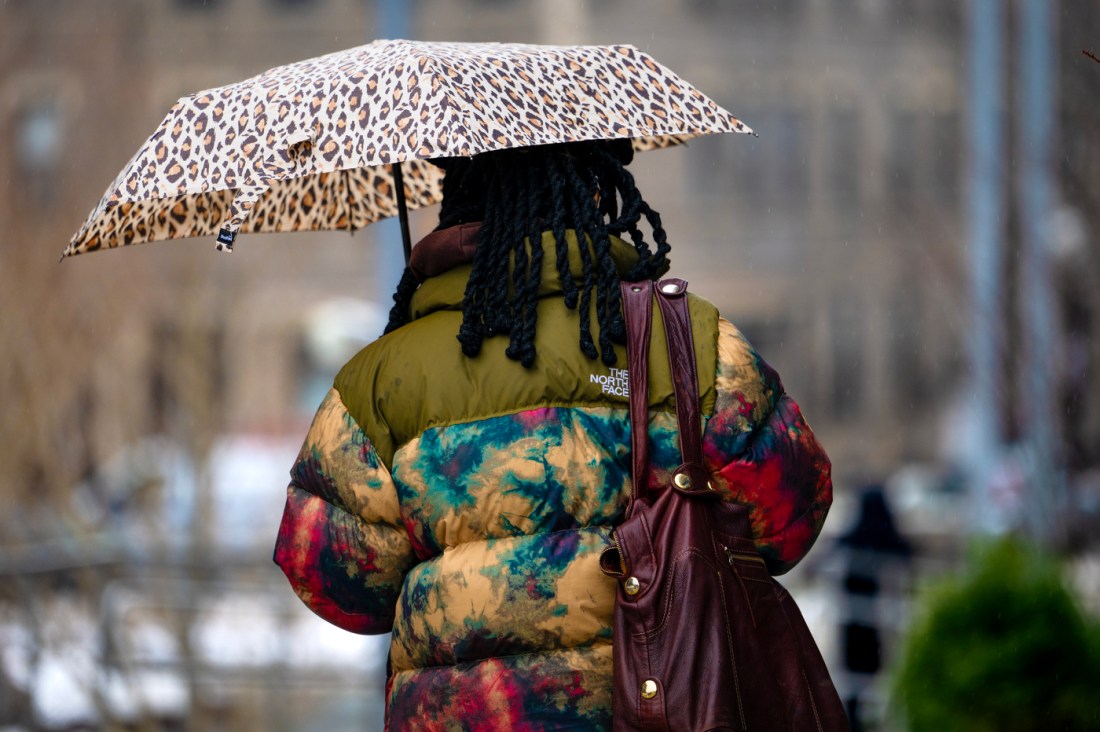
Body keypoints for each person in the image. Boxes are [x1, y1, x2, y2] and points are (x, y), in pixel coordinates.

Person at [273, 139, 833, 730]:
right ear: (596, 188)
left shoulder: (380, 380)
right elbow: (790, 515)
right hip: (668, 704)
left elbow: (337, 578)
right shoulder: (690, 342)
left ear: (454, 198)